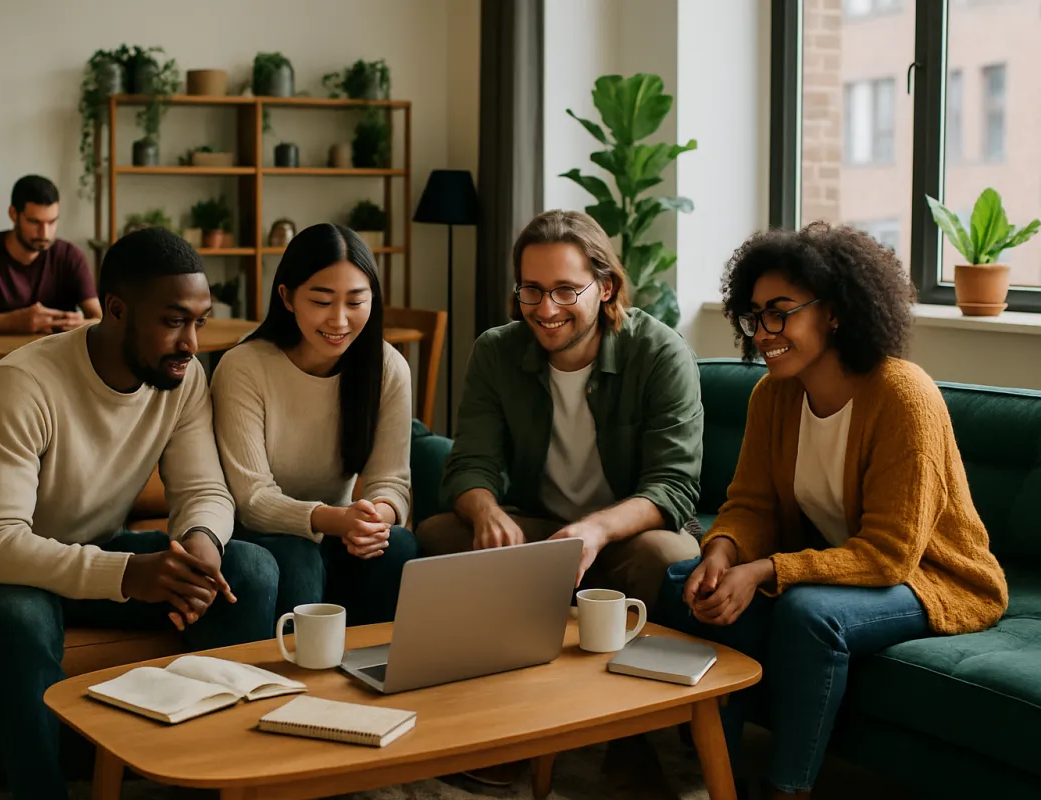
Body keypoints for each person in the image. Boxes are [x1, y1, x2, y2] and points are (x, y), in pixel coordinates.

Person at [0, 228, 279, 800]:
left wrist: (200, 547)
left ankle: (215, 779)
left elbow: (205, 489)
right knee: (24, 615)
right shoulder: (21, 383)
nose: (191, 342)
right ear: (115, 310)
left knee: (250, 569)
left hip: (86, 548)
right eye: (174, 320)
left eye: (200, 322)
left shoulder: (182, 380)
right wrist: (128, 575)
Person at [655, 222, 1009, 800]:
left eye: (780, 311)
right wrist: (720, 554)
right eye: (754, 314)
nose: (763, 330)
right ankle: (707, 774)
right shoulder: (773, 395)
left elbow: (891, 555)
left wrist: (765, 571)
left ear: (836, 312)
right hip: (839, 566)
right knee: (683, 584)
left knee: (809, 613)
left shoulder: (903, 396)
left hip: (930, 577)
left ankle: (786, 787)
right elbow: (750, 505)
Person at [415, 210, 703, 612]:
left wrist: (596, 529)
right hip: (538, 528)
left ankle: (568, 607)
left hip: (628, 536)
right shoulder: (495, 352)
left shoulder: (660, 353)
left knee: (665, 556)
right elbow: (469, 465)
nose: (547, 310)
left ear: (605, 288)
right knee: (436, 534)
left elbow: (672, 487)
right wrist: (487, 513)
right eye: (532, 290)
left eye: (566, 291)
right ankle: (556, 613)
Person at [211, 223, 417, 626]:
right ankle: (295, 682)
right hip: (256, 535)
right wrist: (336, 520)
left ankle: (373, 675)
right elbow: (252, 499)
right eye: (322, 301)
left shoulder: (387, 366)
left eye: (356, 302)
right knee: (299, 556)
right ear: (287, 297)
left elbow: (392, 481)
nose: (339, 320)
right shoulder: (244, 367)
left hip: (339, 529)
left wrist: (377, 517)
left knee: (398, 546)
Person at [0, 174, 100, 335]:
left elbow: (99, 318)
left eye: (52, 221)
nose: (45, 233)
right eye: (34, 222)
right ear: (13, 214)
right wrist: (15, 322)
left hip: (47, 359)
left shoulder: (70, 256)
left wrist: (79, 325)